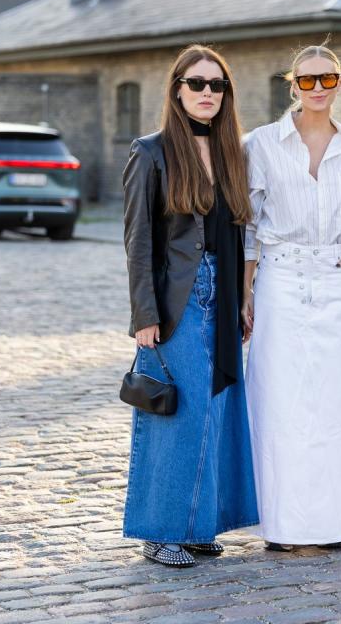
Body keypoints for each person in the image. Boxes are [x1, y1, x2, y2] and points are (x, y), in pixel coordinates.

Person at [243, 44, 341, 550]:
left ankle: (336, 523)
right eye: (307, 81)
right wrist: (246, 294)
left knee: (337, 404)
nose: (318, 89)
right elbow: (247, 226)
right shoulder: (261, 144)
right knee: (280, 402)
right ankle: (282, 525)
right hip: (280, 281)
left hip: (335, 280)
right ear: (293, 85)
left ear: (339, 82)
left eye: (327, 78)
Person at [121, 45, 259, 567]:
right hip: (177, 300)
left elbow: (237, 233)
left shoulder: (230, 154)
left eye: (217, 85)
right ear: (177, 90)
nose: (207, 93)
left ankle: (197, 525)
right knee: (177, 412)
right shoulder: (151, 151)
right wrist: (145, 315)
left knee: (217, 411)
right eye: (197, 83)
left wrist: (243, 298)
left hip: (223, 294)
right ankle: (160, 532)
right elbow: (137, 241)